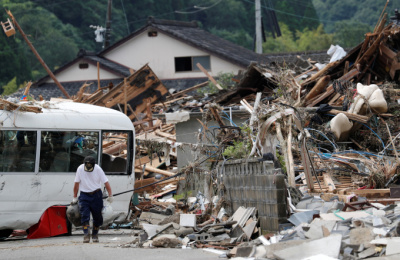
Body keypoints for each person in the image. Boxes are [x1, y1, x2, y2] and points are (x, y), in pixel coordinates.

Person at [71, 156, 113, 243]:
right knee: (84, 216)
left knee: (97, 217)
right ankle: (86, 235)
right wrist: (75, 197)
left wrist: (110, 195)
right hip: (84, 195)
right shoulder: (80, 169)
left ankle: (95, 235)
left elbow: (106, 182)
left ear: (94, 165)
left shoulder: (98, 169)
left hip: (96, 195)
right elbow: (76, 183)